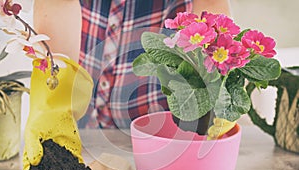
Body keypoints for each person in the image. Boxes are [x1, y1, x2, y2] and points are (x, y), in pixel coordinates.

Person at [23, 0, 231, 170]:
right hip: (84, 119)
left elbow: (209, 6)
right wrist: (53, 101)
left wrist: (212, 84)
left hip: (162, 130)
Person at [33, 0, 231, 129]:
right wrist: (53, 115)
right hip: (85, 129)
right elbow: (56, 6)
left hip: (161, 136)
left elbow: (210, 7)